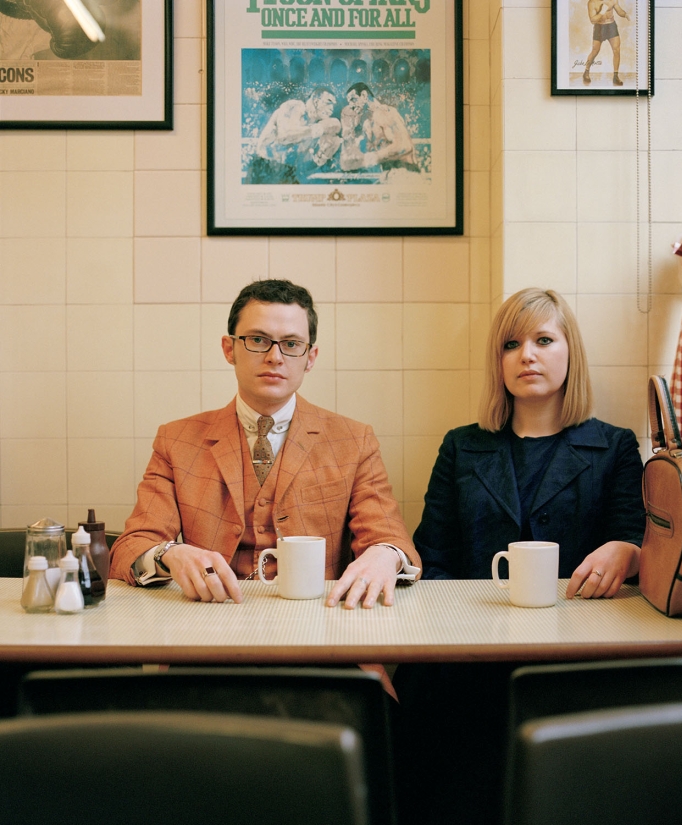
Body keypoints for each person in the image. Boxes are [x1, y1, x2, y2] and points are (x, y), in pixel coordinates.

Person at [393, 287, 645, 825]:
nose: (526, 355)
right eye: (511, 344)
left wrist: (628, 551)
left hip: (576, 660)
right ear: (498, 362)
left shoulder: (616, 446)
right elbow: (431, 557)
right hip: (469, 661)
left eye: (543, 340)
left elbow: (636, 538)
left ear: (569, 352)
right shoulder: (462, 445)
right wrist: (459, 637)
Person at [110, 279, 421, 621]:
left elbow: (392, 539)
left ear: (310, 357)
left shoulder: (353, 439)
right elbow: (130, 547)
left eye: (291, 344)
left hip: (322, 626)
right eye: (258, 340)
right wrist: (171, 553)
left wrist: (385, 555)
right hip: (208, 625)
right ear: (230, 349)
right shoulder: (177, 440)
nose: (275, 357)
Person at [246, 87, 343, 184]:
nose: (331, 108)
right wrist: (319, 128)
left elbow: (301, 167)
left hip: (287, 173)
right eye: (328, 102)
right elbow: (284, 136)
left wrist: (322, 157)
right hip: (264, 167)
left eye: (333, 105)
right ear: (316, 101)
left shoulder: (314, 128)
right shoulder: (295, 106)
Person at [339, 82, 420, 179]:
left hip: (406, 176)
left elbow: (404, 146)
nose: (351, 105)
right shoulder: (366, 123)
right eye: (349, 102)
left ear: (364, 95)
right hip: (390, 177)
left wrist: (372, 158)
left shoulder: (385, 113)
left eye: (353, 99)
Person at [582, 0, 630, 87]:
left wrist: (626, 15)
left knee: (616, 50)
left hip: (611, 26)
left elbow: (619, 10)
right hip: (599, 27)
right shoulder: (592, 3)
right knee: (595, 51)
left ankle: (615, 76)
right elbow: (592, 20)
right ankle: (586, 71)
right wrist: (602, 12)